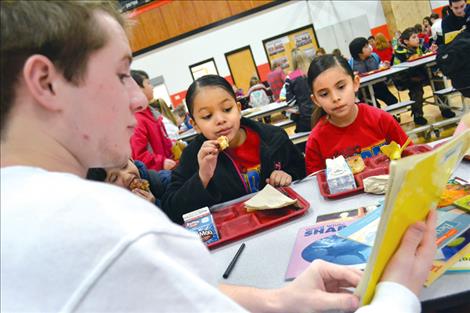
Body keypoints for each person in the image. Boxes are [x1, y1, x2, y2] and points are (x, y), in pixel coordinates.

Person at [1, 2, 438, 313]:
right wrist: (398, 291)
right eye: (120, 75)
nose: (138, 99)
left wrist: (275, 300)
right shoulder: (113, 231)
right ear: (46, 81)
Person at [162, 74, 306, 224]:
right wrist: (202, 177)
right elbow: (172, 211)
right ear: (195, 125)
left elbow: (302, 171)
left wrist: (288, 175)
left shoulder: (273, 137)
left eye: (227, 109)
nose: (220, 120)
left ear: (238, 108)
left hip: (282, 221)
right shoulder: (193, 156)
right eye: (207, 116)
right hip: (233, 233)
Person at [305, 54, 410, 174]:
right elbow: (316, 183)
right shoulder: (316, 141)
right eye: (324, 94)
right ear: (316, 100)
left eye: (341, 87)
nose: (335, 98)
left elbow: (411, 155)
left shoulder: (381, 119)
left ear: (355, 83)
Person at [393, 27, 455, 125]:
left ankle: (445, 109)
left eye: (417, 36)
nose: (417, 39)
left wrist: (431, 51)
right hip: (410, 79)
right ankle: (418, 115)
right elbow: (397, 73)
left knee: (438, 82)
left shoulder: (420, 47)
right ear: (406, 41)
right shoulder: (399, 54)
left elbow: (426, 55)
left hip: (425, 74)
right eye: (414, 37)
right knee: (417, 91)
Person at [130, 70, 177, 171]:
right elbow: (139, 155)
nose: (152, 87)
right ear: (138, 88)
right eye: (148, 83)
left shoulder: (150, 113)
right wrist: (161, 162)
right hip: (159, 174)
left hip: (168, 168)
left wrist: (173, 148)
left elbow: (164, 142)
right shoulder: (137, 119)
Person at [86, 158, 169, 207]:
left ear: (131, 159)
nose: (126, 176)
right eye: (114, 178)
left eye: (124, 165)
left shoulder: (166, 182)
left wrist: (155, 207)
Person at [348, 37, 398, 107]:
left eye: (368, 45)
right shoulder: (351, 64)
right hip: (364, 91)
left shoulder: (375, 56)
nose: (370, 47)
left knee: (393, 101)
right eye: (366, 46)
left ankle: (393, 117)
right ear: (359, 53)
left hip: (379, 85)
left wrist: (385, 66)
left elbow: (381, 66)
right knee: (374, 107)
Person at [285, 48, 315, 135]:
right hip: (321, 114)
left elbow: (290, 102)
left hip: (305, 118)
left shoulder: (290, 77)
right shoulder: (313, 71)